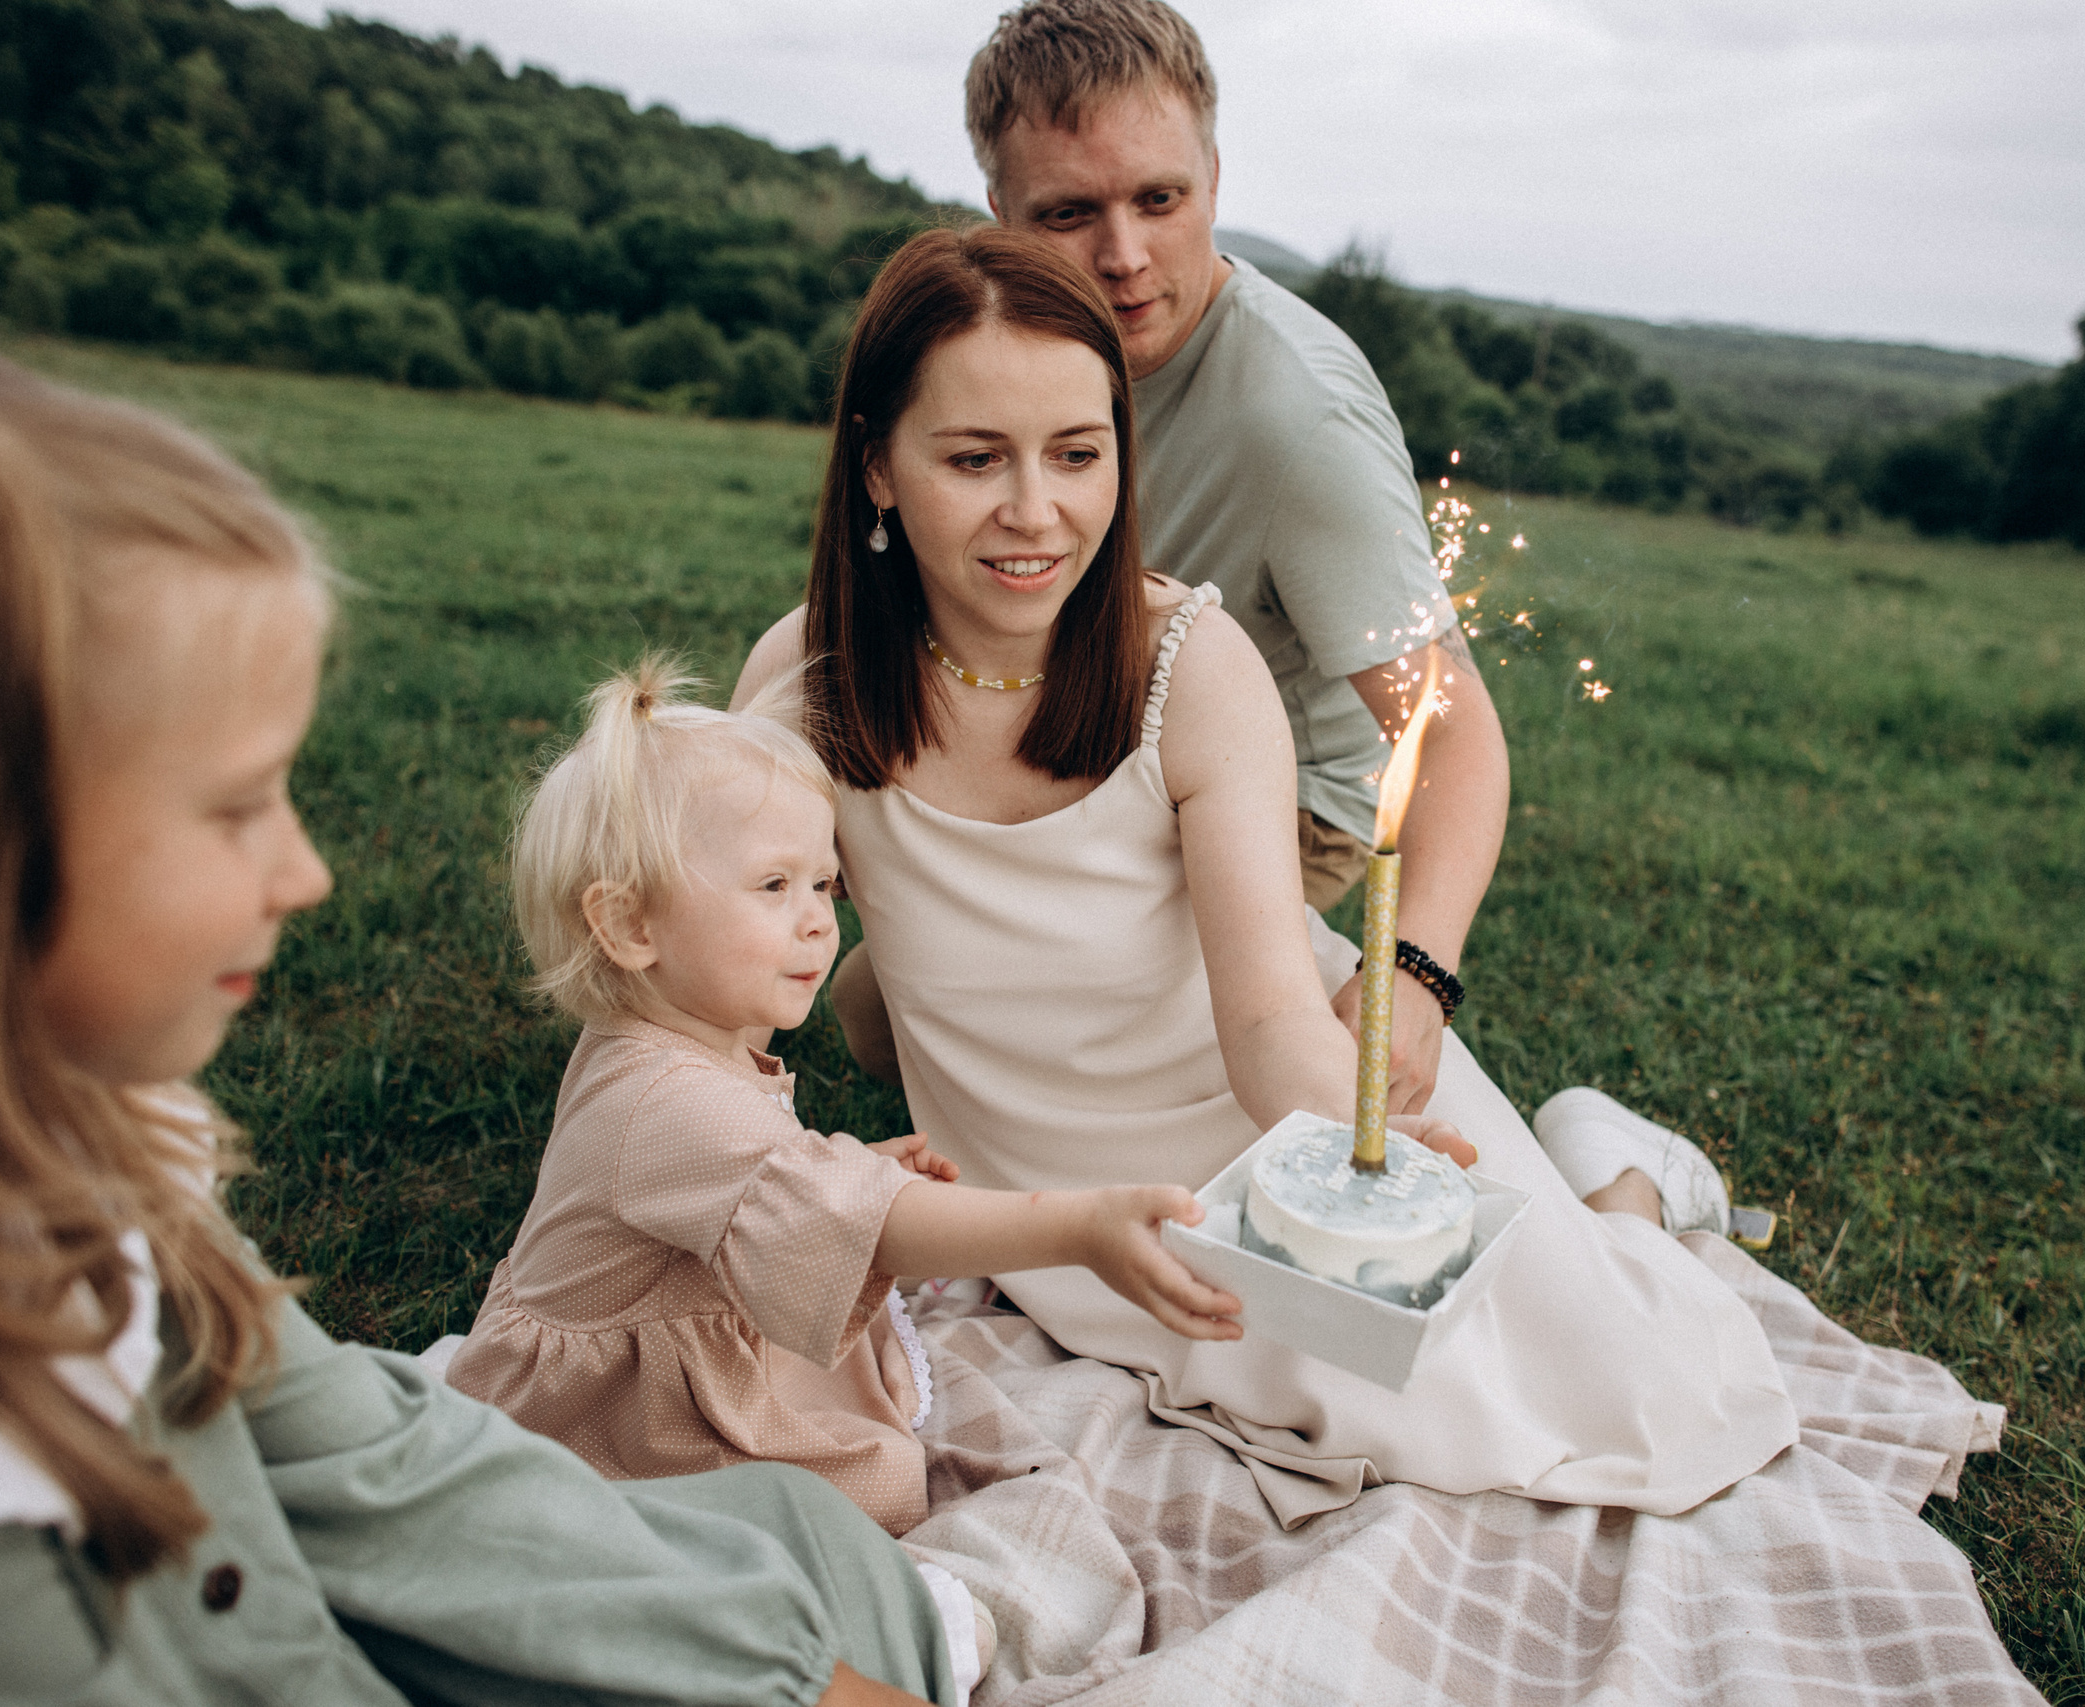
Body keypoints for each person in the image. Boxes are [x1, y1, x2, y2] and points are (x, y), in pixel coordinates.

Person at [0, 340, 954, 1707]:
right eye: (237, 807)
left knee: (813, 1548)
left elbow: (384, 1463)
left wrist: (792, 1673)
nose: (311, 872)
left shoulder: (95, 1167)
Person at [733, 225, 1800, 1526]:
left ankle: (1618, 1182)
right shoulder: (802, 684)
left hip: (1262, 1133)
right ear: (877, 469)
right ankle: (1590, 1189)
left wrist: (1371, 1141)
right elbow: (718, 991)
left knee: (1601, 1396)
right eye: (974, 458)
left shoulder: (1191, 664)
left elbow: (1266, 1023)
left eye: (1079, 453)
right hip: (1037, 1184)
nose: (1037, 510)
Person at [827, 0, 1510, 1127]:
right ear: (998, 214)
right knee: (873, 1011)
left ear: (1214, 175)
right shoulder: (1002, 352)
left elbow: (1452, 733)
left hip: (1271, 793)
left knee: (987, 1021)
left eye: (1160, 198)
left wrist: (1417, 975)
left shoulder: (1299, 425)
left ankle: (1621, 1182)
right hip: (1065, 733)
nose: (1124, 255)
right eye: (1066, 213)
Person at [443, 656, 1238, 1548]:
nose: (820, 919)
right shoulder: (663, 1100)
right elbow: (855, 1214)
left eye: (823, 883)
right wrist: (1077, 1229)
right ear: (630, 926)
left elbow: (753, 1188)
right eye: (774, 885)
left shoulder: (672, 1038)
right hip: (599, 1431)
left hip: (645, 1356)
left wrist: (845, 1170)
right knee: (843, 1505)